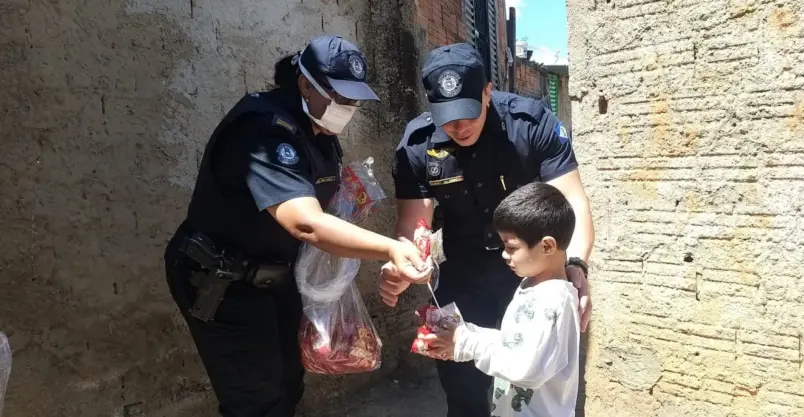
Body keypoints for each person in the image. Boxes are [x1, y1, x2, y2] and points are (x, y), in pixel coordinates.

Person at [163, 35, 429, 417]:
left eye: (354, 100)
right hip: (220, 279)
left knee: (288, 385)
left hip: (273, 277)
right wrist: (389, 248)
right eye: (338, 96)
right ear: (305, 84)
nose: (347, 108)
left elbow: (321, 201)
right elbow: (304, 222)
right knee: (257, 401)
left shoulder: (319, 133)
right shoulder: (264, 130)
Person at [380, 43, 595, 417]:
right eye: (446, 117)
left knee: (536, 386)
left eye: (468, 112)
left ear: (487, 91)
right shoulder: (418, 144)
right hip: (463, 276)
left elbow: (570, 203)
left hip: (532, 276)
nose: (459, 126)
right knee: (462, 388)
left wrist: (574, 265)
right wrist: (409, 261)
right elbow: (415, 223)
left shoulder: (530, 125)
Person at [423, 182, 582, 417]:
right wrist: (464, 332)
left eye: (511, 247)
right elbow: (514, 341)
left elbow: (526, 369)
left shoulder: (553, 301)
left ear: (547, 245)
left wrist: (467, 343)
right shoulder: (533, 286)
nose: (504, 255)